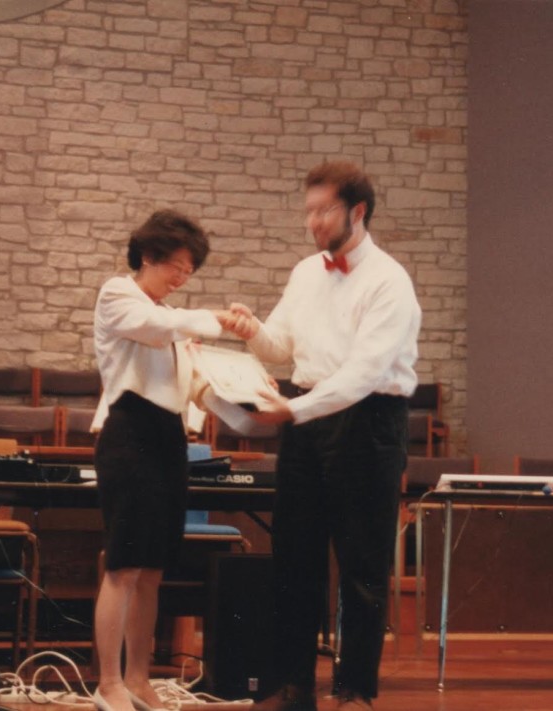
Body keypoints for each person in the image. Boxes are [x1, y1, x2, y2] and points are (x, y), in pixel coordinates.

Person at [227, 161, 422, 711]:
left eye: (323, 211)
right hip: (308, 418)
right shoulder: (306, 272)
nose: (312, 222)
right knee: (295, 555)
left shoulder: (389, 281)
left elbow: (362, 374)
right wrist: (251, 330)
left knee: (361, 565)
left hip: (369, 421)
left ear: (357, 211)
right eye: (308, 211)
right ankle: (292, 686)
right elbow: (281, 348)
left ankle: (355, 690)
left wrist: (294, 411)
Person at [91, 209, 232, 711]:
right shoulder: (119, 295)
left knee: (153, 570)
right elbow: (155, 327)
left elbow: (199, 385)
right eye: (175, 266)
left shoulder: (175, 324)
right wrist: (215, 320)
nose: (180, 277)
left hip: (169, 439)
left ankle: (138, 678)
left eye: (189, 271)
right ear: (148, 256)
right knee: (124, 566)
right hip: (129, 435)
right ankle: (108, 683)